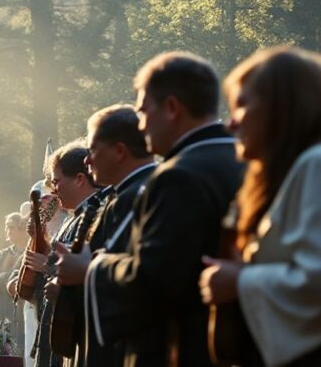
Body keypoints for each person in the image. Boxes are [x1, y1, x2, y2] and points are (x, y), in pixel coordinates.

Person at [58, 52, 243, 367]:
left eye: (143, 111)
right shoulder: (246, 163)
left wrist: (91, 271)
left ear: (172, 108)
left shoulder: (177, 176)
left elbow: (155, 278)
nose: (140, 125)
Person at [200, 47, 321, 366]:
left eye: (241, 106)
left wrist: (240, 281)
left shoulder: (316, 165)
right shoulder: (291, 171)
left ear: (281, 110)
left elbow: (316, 279)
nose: (230, 124)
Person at [54, 104, 156, 367]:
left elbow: (148, 274)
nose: (87, 161)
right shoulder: (119, 195)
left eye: (93, 150)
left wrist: (86, 272)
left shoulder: (139, 196)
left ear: (120, 151)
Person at [25, 142, 103, 367]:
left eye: (57, 181)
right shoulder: (73, 218)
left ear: (79, 179)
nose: (54, 189)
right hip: (56, 329)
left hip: (76, 333)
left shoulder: (96, 217)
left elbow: (90, 268)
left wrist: (47, 268)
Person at [0, 212, 28, 354]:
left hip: (23, 315)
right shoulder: (1, 255)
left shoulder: (30, 252)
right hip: (3, 312)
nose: (7, 231)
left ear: (22, 229)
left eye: (11, 227)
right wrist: (9, 273)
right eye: (6, 227)